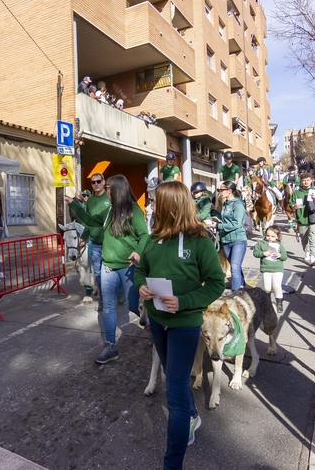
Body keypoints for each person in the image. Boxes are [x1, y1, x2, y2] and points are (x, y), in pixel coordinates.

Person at [135, 181, 225, 468]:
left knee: (173, 393)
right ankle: (192, 415)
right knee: (174, 377)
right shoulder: (153, 239)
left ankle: (171, 464)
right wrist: (140, 286)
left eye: (156, 202)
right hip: (157, 322)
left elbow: (216, 283)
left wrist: (184, 301)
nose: (152, 207)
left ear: (171, 206)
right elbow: (141, 270)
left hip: (185, 324)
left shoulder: (200, 240)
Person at [79, 175, 148, 364]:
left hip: (128, 267)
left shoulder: (134, 211)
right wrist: (74, 205)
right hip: (108, 267)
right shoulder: (109, 211)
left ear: (117, 190)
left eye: (108, 187)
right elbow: (90, 220)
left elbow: (144, 236)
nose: (105, 190)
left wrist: (138, 252)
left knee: (133, 305)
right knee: (108, 307)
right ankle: (110, 346)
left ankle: (153, 326)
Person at [66, 173, 111, 309]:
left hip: (110, 242)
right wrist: (84, 237)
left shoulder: (110, 197)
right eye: (93, 182)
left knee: (111, 271)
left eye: (98, 181)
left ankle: (119, 291)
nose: (96, 184)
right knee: (98, 273)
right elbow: (87, 221)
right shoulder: (90, 201)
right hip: (96, 243)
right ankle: (103, 299)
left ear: (103, 182)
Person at [213, 181, 247, 291]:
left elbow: (236, 224)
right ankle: (242, 285)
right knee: (235, 265)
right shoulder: (226, 204)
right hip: (226, 240)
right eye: (218, 190)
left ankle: (235, 292)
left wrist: (218, 226)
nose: (219, 192)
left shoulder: (238, 205)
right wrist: (215, 215)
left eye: (221, 190)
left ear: (229, 191)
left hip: (238, 240)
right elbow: (226, 219)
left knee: (234, 267)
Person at [289, 172, 315, 267]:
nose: (306, 182)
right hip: (301, 219)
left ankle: (313, 257)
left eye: (308, 180)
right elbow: (291, 203)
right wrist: (294, 206)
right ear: (301, 181)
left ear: (311, 180)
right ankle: (307, 252)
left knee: (313, 238)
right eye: (304, 180)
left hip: (313, 218)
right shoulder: (297, 193)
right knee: (304, 238)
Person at [253, 225, 289, 313]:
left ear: (277, 237)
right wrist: (263, 253)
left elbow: (285, 256)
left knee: (277, 286)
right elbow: (255, 253)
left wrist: (280, 255)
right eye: (268, 235)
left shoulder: (279, 246)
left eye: (273, 236)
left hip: (278, 269)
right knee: (267, 288)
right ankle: (268, 302)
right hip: (266, 269)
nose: (270, 238)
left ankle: (279, 303)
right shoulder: (261, 244)